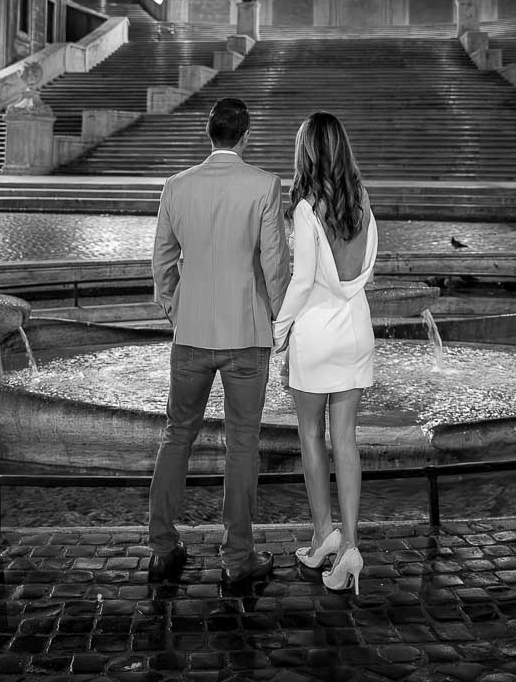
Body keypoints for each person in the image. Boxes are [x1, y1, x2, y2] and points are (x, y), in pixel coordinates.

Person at [148, 97, 290, 584]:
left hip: (190, 333)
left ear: (209, 135)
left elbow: (163, 260)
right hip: (246, 333)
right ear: (246, 135)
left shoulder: (176, 186)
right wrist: (282, 320)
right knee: (241, 445)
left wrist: (173, 307)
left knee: (177, 435)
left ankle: (162, 548)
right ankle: (237, 557)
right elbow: (274, 264)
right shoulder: (265, 185)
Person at [272, 112, 378, 595]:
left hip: (316, 331)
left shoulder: (305, 208)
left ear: (307, 151)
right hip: (356, 326)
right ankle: (350, 545)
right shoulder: (363, 201)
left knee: (311, 436)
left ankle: (322, 535)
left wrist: (279, 330)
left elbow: (301, 280)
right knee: (347, 440)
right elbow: (366, 272)